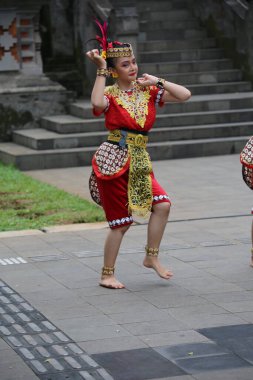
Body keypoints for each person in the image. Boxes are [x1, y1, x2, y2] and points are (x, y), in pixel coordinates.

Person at [86, 21, 191, 289]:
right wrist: (100, 71)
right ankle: (106, 274)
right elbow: (96, 104)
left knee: (163, 205)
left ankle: (150, 257)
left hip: (140, 159)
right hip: (115, 158)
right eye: (125, 65)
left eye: (133, 62)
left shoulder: (148, 91)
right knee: (121, 222)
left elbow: (185, 95)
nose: (132, 67)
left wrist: (158, 80)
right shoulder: (109, 93)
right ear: (113, 71)